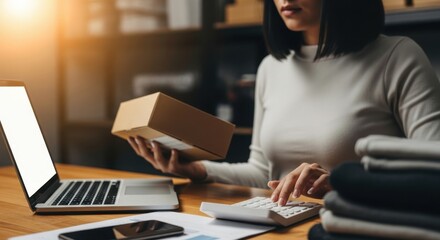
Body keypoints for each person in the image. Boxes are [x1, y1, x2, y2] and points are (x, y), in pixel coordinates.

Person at [128, 0, 440, 206]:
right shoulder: (271, 68)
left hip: (358, 226)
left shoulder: (398, 56)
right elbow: (262, 172)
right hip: (283, 226)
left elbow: (432, 172)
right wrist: (196, 169)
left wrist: (344, 182)